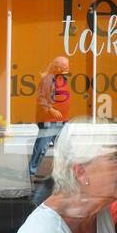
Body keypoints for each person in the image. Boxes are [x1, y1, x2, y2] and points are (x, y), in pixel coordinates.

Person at [28, 55, 72, 184]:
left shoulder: (60, 78)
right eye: (64, 66)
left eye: (67, 66)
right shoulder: (48, 80)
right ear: (57, 67)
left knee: (65, 148)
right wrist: (51, 109)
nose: (67, 69)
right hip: (50, 120)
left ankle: (65, 174)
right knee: (41, 147)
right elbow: (41, 98)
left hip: (62, 121)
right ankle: (31, 173)